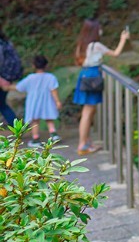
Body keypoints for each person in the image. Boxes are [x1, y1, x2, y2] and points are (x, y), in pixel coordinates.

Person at [73, 19, 129, 155]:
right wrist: (123, 39)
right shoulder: (96, 45)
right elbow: (115, 54)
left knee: (88, 111)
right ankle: (82, 145)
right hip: (92, 77)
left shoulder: (82, 44)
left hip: (85, 76)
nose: (101, 31)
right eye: (99, 28)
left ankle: (86, 141)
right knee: (87, 112)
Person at [12, 55, 61, 147]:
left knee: (35, 120)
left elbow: (19, 87)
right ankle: (53, 134)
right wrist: (57, 101)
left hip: (34, 102)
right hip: (47, 101)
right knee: (49, 118)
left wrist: (7, 87)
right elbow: (53, 90)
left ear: (33, 66)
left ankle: (36, 139)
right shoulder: (50, 77)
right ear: (46, 65)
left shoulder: (30, 78)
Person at [0, 27, 23, 126]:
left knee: (2, 104)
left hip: (2, 78)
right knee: (2, 104)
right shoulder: (5, 42)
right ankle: (18, 127)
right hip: (7, 77)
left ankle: (17, 127)